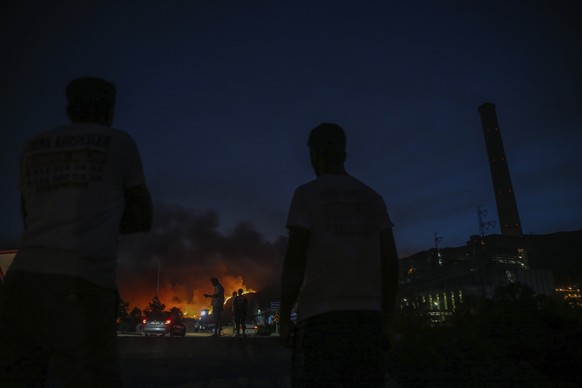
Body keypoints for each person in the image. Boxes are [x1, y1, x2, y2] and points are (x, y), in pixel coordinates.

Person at [0, 76, 153, 386]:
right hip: (80, 285)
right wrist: (100, 220)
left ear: (70, 110)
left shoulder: (33, 146)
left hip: (20, 285)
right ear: (109, 111)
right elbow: (141, 216)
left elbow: (29, 217)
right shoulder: (119, 142)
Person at [280, 123, 399, 387]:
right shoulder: (372, 197)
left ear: (314, 154)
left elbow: (295, 259)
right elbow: (390, 264)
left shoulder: (306, 194)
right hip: (368, 321)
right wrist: (388, 322)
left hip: (320, 320)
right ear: (344, 153)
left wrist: (285, 318)